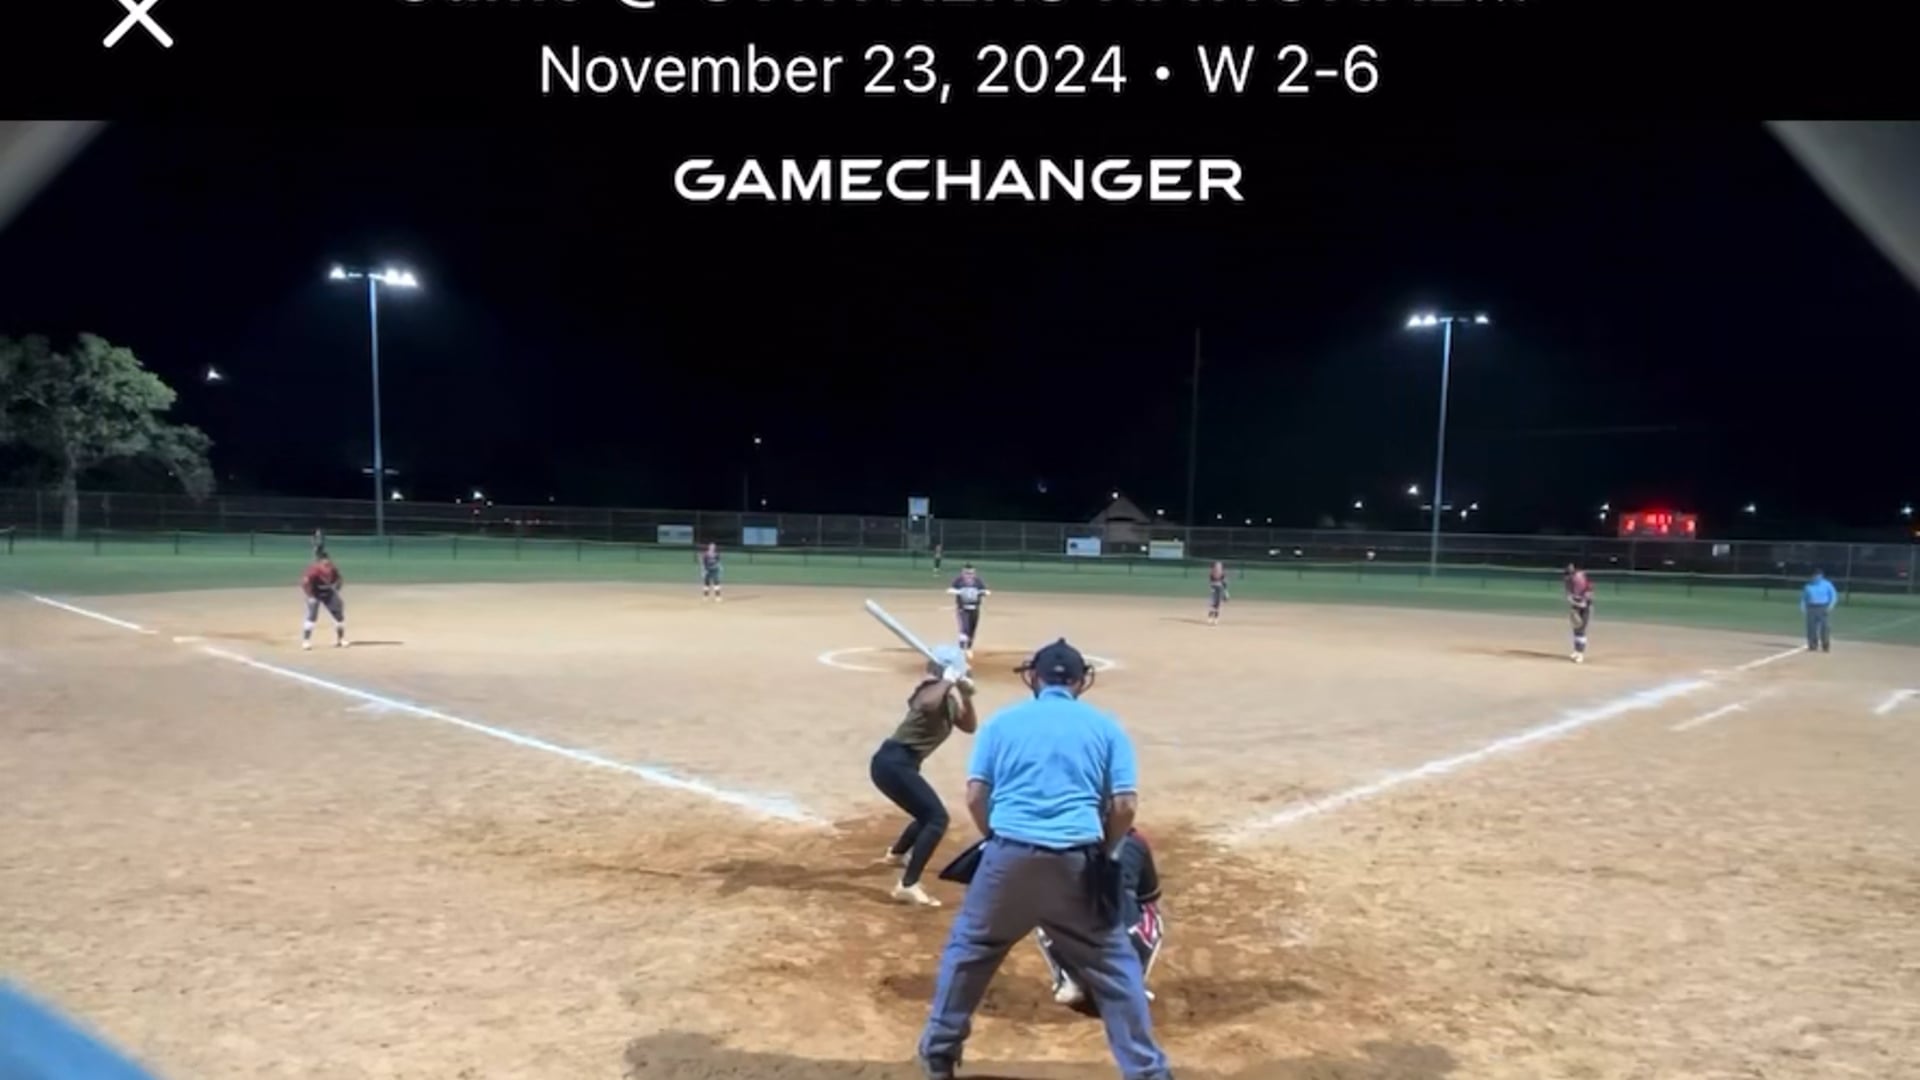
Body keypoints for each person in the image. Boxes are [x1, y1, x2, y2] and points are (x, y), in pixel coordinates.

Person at [917, 639, 1172, 1080]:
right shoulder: (1106, 727)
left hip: (1007, 860)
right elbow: (1125, 805)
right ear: (1079, 681)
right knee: (1114, 967)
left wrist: (998, 839)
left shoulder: (1001, 723)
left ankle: (939, 1054)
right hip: (1076, 862)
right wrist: (1106, 850)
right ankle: (1148, 1072)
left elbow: (976, 796)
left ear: (1034, 678)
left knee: (970, 951)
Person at [872, 644, 980, 907]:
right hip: (893, 762)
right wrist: (948, 680)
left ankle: (896, 855)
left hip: (902, 765)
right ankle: (908, 885)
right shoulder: (928, 690)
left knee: (926, 814)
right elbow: (926, 704)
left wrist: (966, 696)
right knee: (936, 818)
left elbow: (969, 726)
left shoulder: (947, 698)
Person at [1036, 826, 1164, 1007]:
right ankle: (1133, 982)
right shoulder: (1135, 841)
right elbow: (1148, 895)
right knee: (1150, 910)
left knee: (1044, 906)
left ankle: (1070, 979)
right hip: (1122, 946)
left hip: (1074, 945)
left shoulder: (1061, 841)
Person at [299, 546, 347, 650]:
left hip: (328, 593)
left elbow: (339, 579)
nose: (327, 563)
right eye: (324, 561)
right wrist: (310, 596)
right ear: (320, 562)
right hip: (315, 594)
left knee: (339, 615)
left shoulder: (332, 569)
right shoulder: (313, 570)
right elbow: (305, 583)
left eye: (328, 560)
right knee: (312, 616)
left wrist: (337, 588)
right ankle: (306, 641)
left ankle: (341, 639)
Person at [948, 564, 990, 657]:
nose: (969, 575)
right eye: (966, 573)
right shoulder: (959, 581)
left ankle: (969, 648)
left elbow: (985, 590)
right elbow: (950, 590)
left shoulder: (978, 581)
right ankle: (961, 648)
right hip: (963, 608)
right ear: (963, 573)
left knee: (972, 630)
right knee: (964, 628)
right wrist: (959, 592)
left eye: (971, 573)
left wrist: (982, 592)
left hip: (975, 609)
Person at [1801, 569, 1839, 652]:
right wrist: (1803, 607)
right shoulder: (1808, 586)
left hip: (1823, 607)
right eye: (1814, 576)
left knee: (1825, 627)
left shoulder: (1827, 584)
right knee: (1811, 627)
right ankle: (1812, 645)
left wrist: (1830, 606)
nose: (1816, 577)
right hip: (1811, 607)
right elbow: (1804, 598)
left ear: (1821, 576)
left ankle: (1825, 645)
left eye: (1818, 575)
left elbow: (1833, 596)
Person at [1564, 563, 1594, 663]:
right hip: (1576, 605)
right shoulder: (1568, 581)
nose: (1568, 577)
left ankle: (1580, 654)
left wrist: (1582, 603)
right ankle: (1576, 651)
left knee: (1581, 629)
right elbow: (1568, 594)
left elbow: (1588, 594)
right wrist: (1573, 603)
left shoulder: (1580, 579)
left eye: (1569, 574)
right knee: (1576, 629)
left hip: (1586, 607)